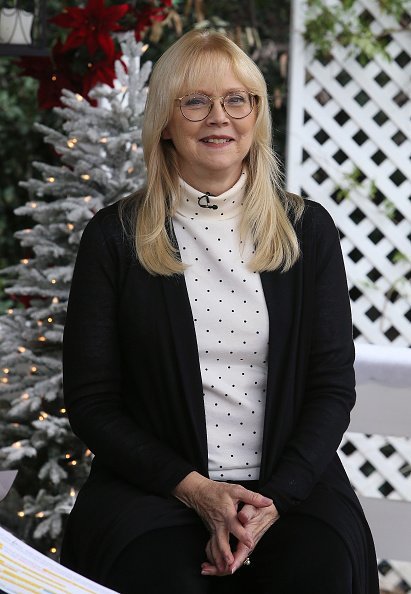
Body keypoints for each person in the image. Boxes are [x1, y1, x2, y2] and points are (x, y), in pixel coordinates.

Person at [60, 29, 379, 594]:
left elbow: (332, 387)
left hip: (289, 488)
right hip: (156, 485)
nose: (219, 117)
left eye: (237, 99)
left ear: (256, 114)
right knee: (161, 579)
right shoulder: (115, 237)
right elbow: (92, 402)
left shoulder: (308, 231)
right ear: (164, 118)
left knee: (320, 573)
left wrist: (273, 500)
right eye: (195, 100)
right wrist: (199, 492)